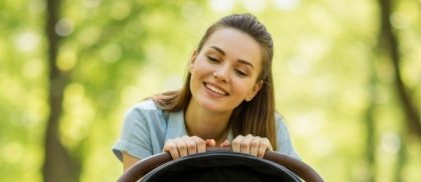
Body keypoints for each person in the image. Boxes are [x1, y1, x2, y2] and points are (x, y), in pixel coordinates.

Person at [112, 12, 298, 172]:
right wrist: (170, 166)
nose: (222, 75)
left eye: (240, 72)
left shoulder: (272, 130)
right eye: (214, 59)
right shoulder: (145, 120)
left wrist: (268, 165)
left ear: (253, 90)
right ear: (193, 60)